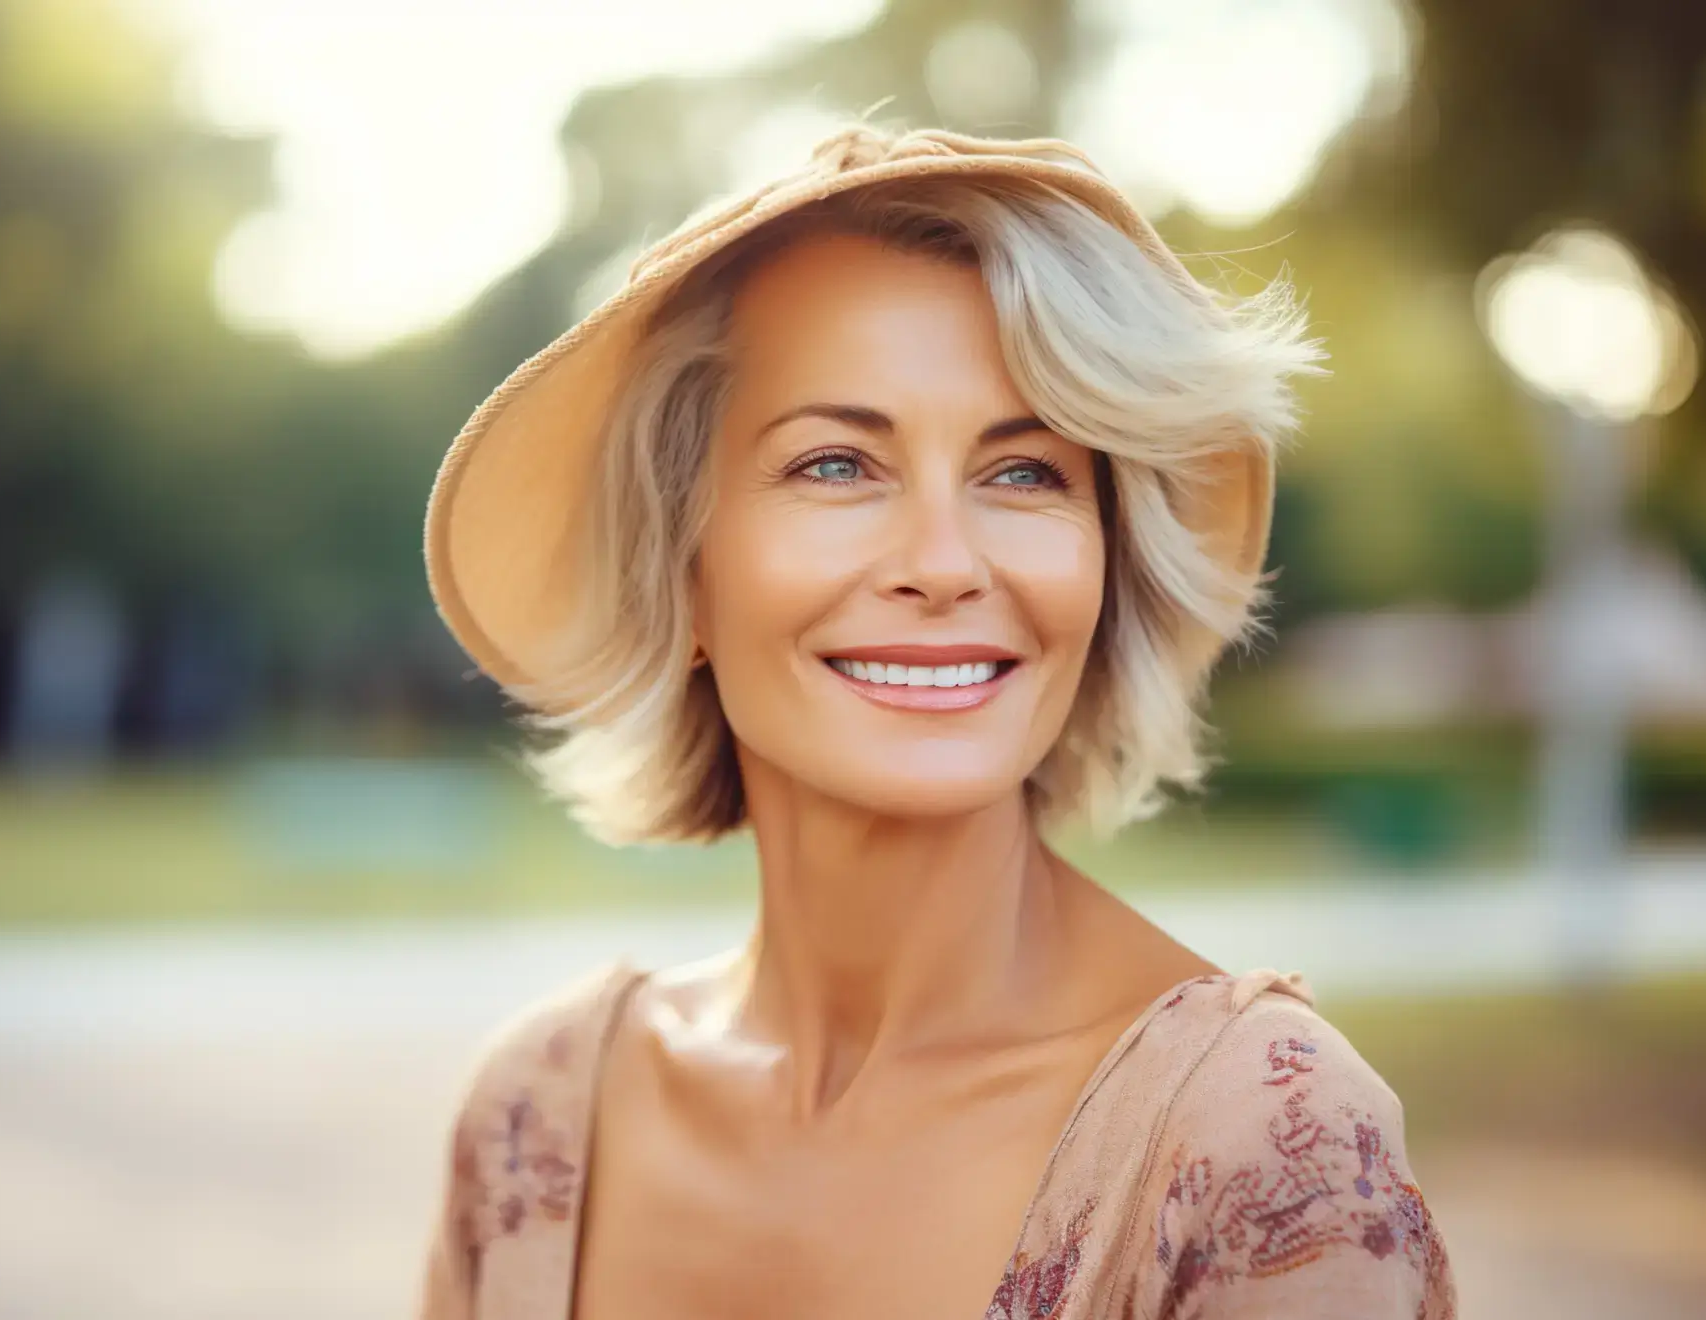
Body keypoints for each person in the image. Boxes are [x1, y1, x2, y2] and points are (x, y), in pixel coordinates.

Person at [416, 124, 1456, 1320]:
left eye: (1023, 474)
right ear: (682, 572)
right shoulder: (531, 1119)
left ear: (1106, 564)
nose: (943, 563)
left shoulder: (1262, 1149)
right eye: (835, 465)